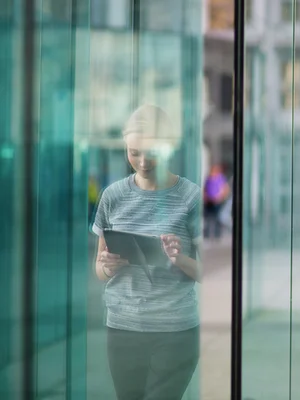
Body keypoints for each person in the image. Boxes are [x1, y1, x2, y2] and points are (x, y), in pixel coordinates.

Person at [92, 104, 201, 400]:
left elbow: (208, 273)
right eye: (133, 152)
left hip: (175, 331)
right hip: (122, 329)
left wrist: (179, 259)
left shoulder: (190, 197)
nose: (141, 161)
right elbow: (99, 270)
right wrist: (107, 266)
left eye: (149, 152)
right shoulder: (112, 196)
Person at [203, 164, 230, 239]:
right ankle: (207, 234)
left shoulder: (221, 178)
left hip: (217, 201)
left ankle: (217, 234)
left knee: (217, 218)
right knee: (208, 218)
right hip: (209, 201)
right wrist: (206, 197)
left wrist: (220, 197)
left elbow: (225, 189)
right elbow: (205, 189)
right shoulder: (208, 178)